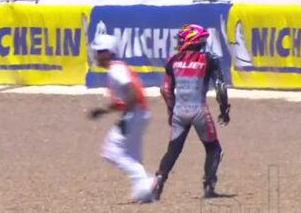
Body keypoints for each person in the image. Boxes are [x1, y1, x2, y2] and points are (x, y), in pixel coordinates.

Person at [152, 24, 231, 200]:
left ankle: (159, 181)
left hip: (179, 111)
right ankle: (209, 185)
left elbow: (165, 90)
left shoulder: (173, 60)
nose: (179, 43)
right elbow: (220, 87)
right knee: (214, 149)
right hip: (199, 110)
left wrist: (171, 111)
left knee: (173, 150)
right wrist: (224, 109)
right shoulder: (209, 59)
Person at [87, 34, 156, 203]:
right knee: (132, 154)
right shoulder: (118, 68)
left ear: (108, 53)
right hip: (141, 113)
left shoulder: (115, 70)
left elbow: (132, 92)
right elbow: (123, 99)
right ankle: (144, 190)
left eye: (99, 52)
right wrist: (103, 110)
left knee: (111, 151)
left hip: (134, 113)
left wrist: (126, 116)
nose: (96, 56)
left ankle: (147, 181)